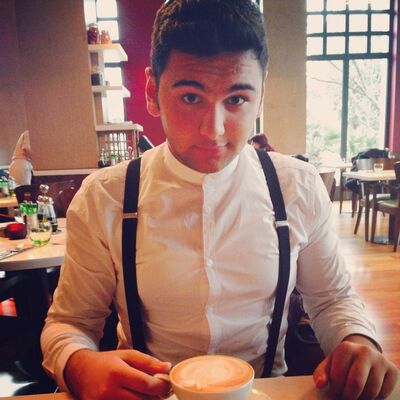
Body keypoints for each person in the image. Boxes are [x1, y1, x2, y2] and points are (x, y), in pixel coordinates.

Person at [41, 1, 398, 399]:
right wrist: (78, 365)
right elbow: (70, 323)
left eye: (236, 99)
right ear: (152, 92)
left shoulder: (297, 187)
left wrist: (358, 342)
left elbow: (332, 300)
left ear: (260, 96)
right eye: (190, 97)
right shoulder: (105, 196)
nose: (213, 131)